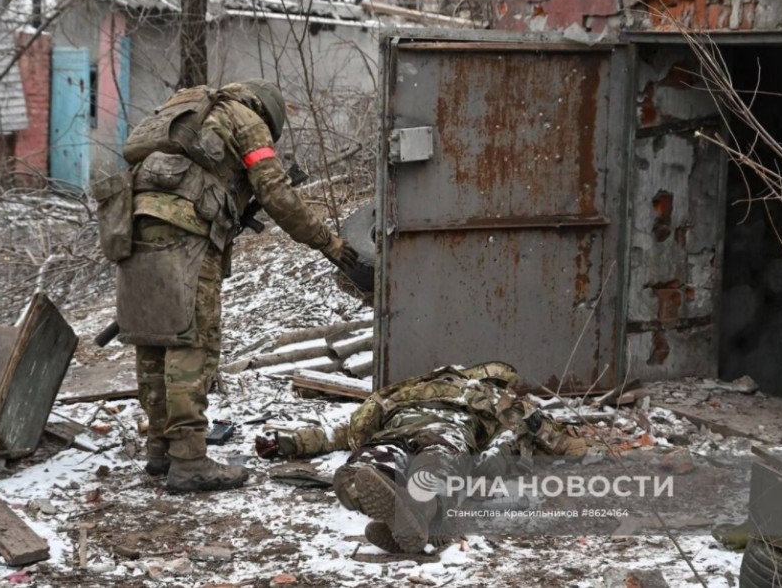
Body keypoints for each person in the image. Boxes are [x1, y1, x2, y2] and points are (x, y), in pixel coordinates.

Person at [115, 80, 358, 494]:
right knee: (191, 341)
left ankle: (161, 449)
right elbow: (277, 193)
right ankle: (189, 460)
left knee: (154, 336)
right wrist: (328, 242)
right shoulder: (247, 121)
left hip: (131, 223)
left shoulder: (188, 109)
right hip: (186, 235)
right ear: (269, 113)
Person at [255, 362, 588, 553]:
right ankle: (419, 512)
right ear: (499, 380)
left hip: (397, 429)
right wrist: (576, 445)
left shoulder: (413, 388)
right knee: (436, 468)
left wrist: (289, 443)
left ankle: (367, 485)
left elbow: (344, 430)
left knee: (368, 463)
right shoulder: (496, 398)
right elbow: (559, 441)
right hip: (449, 434)